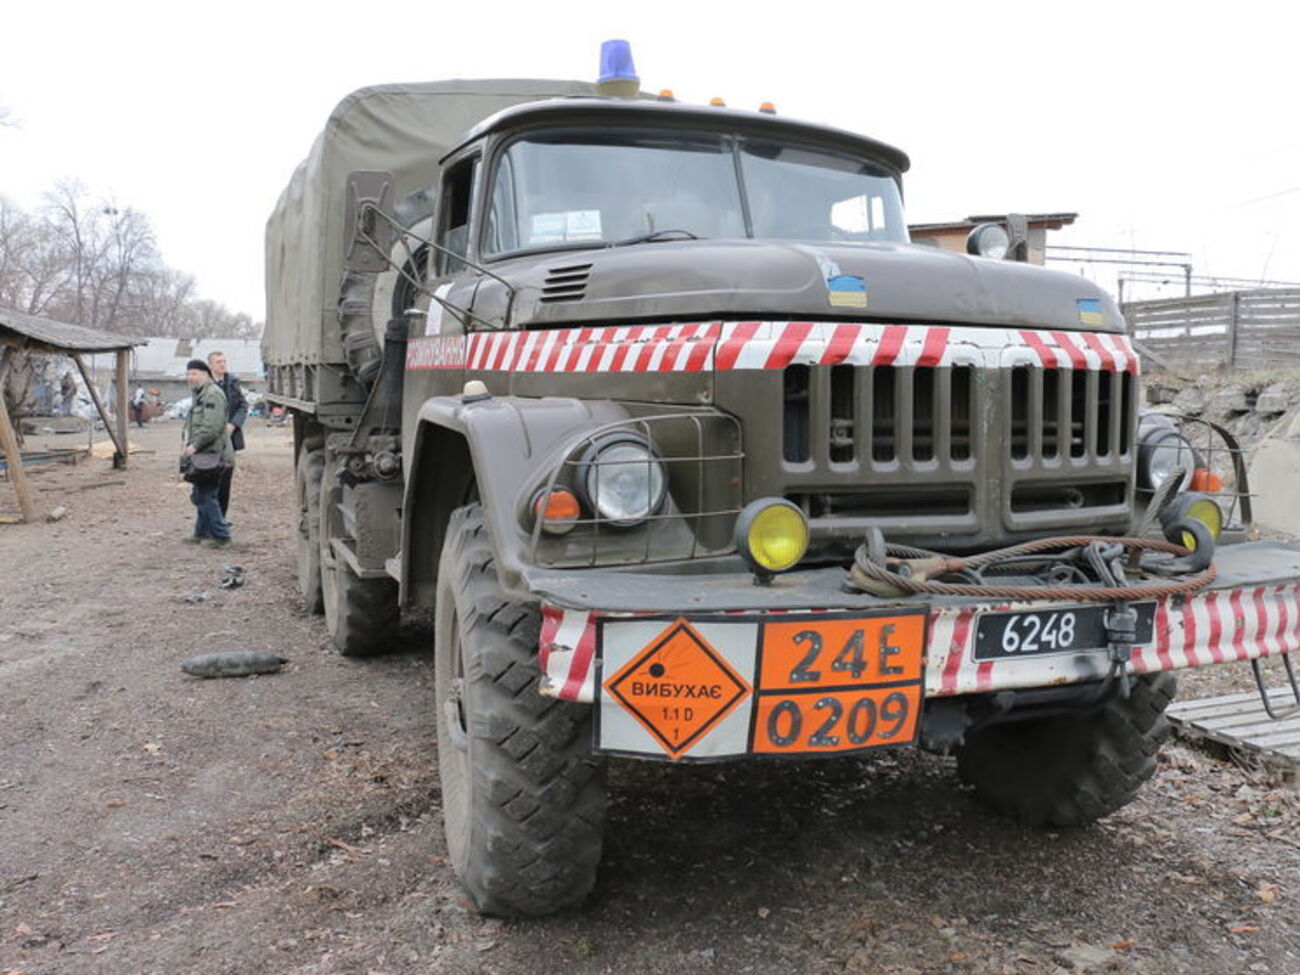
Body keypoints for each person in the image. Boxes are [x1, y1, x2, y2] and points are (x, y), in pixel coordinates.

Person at [182, 358, 234, 548]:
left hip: (212, 454)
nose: (190, 377)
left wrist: (194, 446)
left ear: (205, 375)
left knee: (206, 495)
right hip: (205, 455)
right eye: (188, 374)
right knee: (200, 494)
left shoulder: (212, 395)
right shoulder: (200, 394)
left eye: (194, 373)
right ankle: (201, 533)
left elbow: (212, 427)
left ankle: (222, 536)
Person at [207, 350, 247, 520]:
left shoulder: (232, 382)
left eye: (224, 361)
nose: (222, 364)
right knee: (209, 479)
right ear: (210, 366)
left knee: (225, 480)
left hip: (229, 439)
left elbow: (243, 406)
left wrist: (233, 424)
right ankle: (210, 518)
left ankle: (221, 518)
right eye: (218, 362)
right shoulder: (204, 384)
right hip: (209, 439)